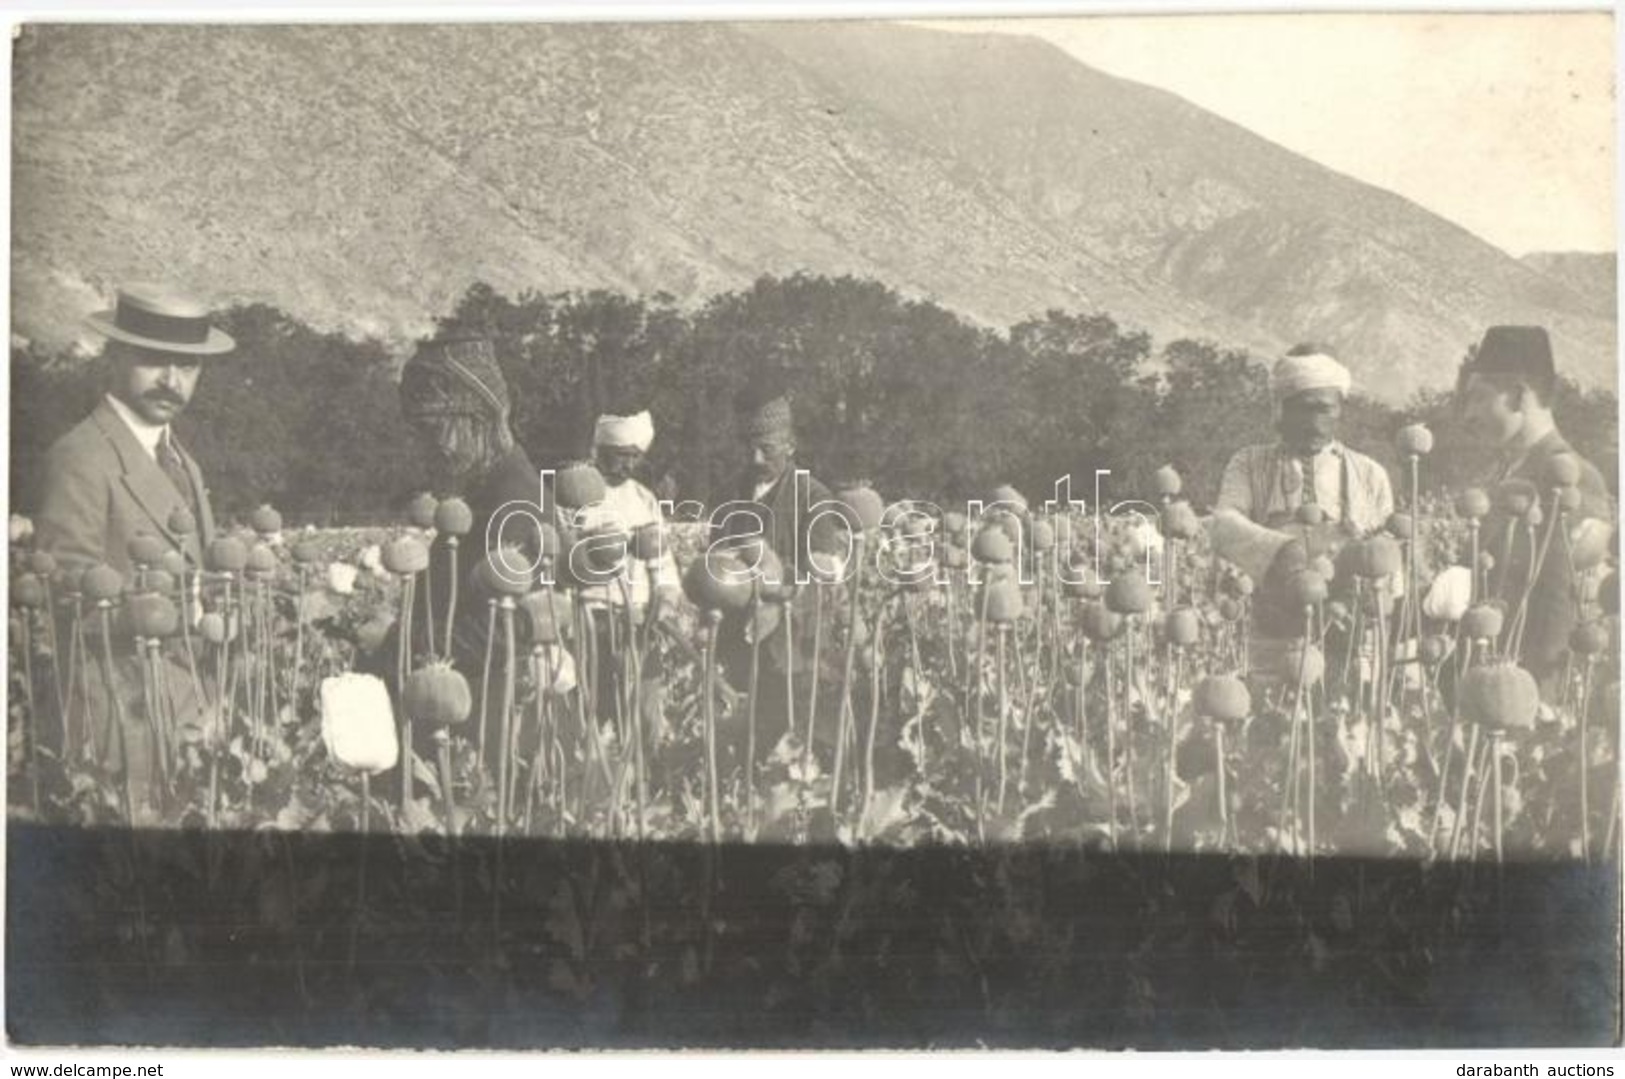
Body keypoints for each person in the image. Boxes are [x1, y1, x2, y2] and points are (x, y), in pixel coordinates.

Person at [34, 282, 235, 818]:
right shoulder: (79, 456)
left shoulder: (183, 462)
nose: (172, 381)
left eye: (188, 367)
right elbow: (63, 589)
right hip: (118, 716)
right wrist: (175, 606)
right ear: (117, 355)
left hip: (188, 707)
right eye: (154, 362)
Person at [1456, 325, 1614, 688]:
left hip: (1521, 691)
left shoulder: (1570, 477)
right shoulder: (1507, 470)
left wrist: (1535, 705)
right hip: (1486, 679)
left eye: (1478, 398)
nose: (1469, 414)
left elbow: (1560, 612)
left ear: (1516, 396)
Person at [710, 384, 845, 762]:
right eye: (748, 447)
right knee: (739, 730)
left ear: (790, 444)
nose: (755, 458)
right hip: (736, 632)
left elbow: (825, 569)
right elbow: (714, 558)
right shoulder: (729, 494)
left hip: (792, 638)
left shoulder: (813, 496)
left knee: (788, 731)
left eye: (765, 449)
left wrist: (774, 577)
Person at [1216, 345, 1395, 545]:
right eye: (1303, 410)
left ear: (1340, 409)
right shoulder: (1248, 465)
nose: (1314, 425)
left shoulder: (1370, 474)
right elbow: (1226, 528)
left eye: (1324, 409)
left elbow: (1386, 558)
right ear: (1281, 409)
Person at [575, 409, 682, 728]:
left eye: (636, 457)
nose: (629, 465)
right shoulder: (577, 494)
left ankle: (646, 775)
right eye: (621, 456)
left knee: (643, 715)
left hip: (640, 626)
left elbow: (661, 560)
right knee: (593, 712)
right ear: (599, 451)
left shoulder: (643, 498)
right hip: (590, 621)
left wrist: (664, 597)